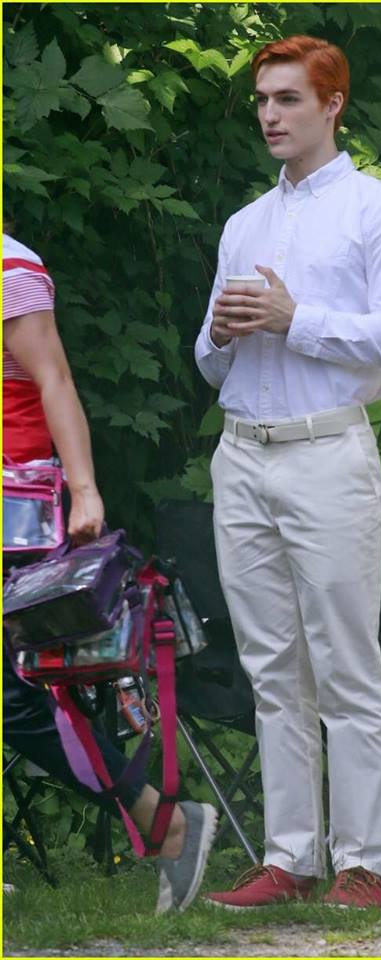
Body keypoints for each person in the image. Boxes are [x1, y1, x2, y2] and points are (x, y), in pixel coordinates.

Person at [195, 35, 381, 909]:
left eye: (288, 98)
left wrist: (296, 318)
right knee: (270, 668)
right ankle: (289, 858)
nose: (270, 115)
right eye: (263, 99)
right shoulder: (244, 225)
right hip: (242, 454)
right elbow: (210, 364)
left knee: (345, 664)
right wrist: (221, 334)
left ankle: (363, 862)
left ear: (332, 104)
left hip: (327, 453)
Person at [2, 233, 217, 912]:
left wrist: (86, 490)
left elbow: (55, 379)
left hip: (13, 510)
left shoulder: (9, 268)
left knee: (17, 702)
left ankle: (164, 819)